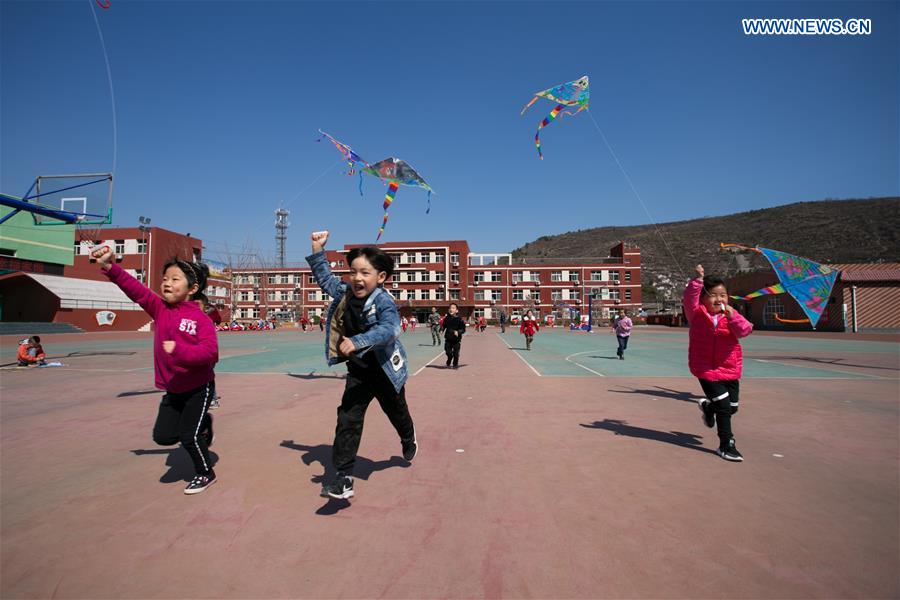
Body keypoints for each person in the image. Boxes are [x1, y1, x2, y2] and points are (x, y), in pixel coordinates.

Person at [96, 247, 219, 494]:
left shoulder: (201, 320)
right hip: (173, 389)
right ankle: (204, 422)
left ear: (192, 289)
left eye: (175, 279)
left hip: (199, 388)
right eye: (165, 279)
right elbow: (137, 291)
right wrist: (110, 267)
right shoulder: (159, 308)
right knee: (163, 438)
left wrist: (179, 351)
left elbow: (211, 354)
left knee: (189, 437)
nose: (167, 284)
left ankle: (205, 473)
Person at [307, 231, 417, 500]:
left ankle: (407, 436)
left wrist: (358, 341)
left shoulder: (383, 301)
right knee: (348, 419)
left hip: (385, 372)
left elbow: (390, 329)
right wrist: (317, 250)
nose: (357, 278)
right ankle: (343, 477)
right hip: (358, 373)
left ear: (380, 277)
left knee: (396, 410)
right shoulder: (345, 292)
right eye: (353, 272)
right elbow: (325, 280)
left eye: (365, 273)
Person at [683, 264, 754, 462]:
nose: (719, 299)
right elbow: (689, 297)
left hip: (730, 368)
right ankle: (726, 445)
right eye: (713, 295)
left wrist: (733, 318)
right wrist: (697, 280)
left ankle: (708, 408)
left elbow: (745, 331)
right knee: (723, 406)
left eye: (723, 295)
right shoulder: (696, 314)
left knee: (732, 407)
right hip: (705, 368)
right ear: (703, 299)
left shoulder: (731, 316)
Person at [440, 303, 466, 368]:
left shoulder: (459, 319)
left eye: (453, 308)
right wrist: (441, 330)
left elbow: (463, 329)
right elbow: (444, 326)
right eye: (450, 308)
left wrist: (458, 332)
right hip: (448, 339)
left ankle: (455, 364)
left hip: (456, 340)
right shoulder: (446, 318)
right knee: (448, 352)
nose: (451, 309)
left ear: (457, 311)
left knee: (456, 354)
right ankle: (449, 358)